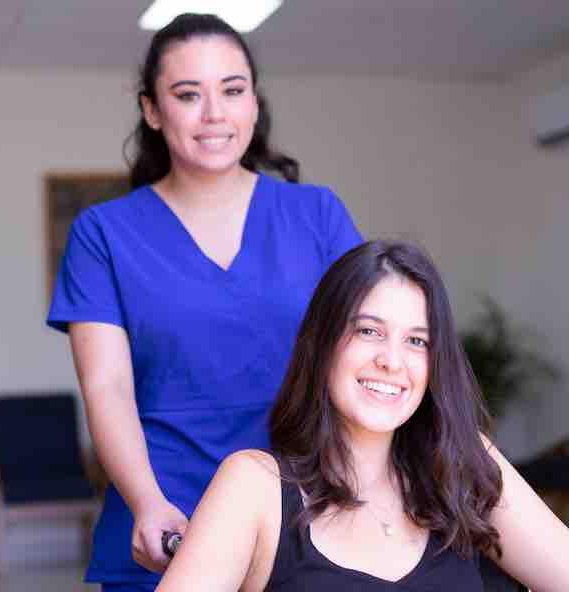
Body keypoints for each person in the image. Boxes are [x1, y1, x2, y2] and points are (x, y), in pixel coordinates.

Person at [155, 240, 569, 592]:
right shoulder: (254, 485)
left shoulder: (464, 464)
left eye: (417, 341)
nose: (392, 359)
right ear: (321, 345)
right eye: (368, 331)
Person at [46, 13, 362, 591]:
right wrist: (146, 503)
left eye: (233, 90)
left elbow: (364, 358)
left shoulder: (318, 216)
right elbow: (106, 386)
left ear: (254, 102)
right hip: (166, 525)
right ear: (152, 109)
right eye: (188, 94)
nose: (215, 114)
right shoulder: (103, 234)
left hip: (308, 515)